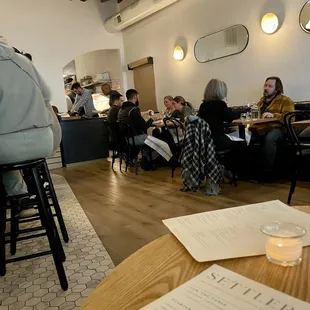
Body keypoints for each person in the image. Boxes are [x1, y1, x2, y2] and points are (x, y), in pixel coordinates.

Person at [0, 37, 61, 206]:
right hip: (43, 142)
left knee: (6, 154)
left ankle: (19, 198)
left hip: (7, 148)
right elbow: (47, 95)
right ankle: (26, 195)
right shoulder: (22, 61)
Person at [249, 77, 294, 179]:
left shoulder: (285, 100)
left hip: (278, 129)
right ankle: (245, 171)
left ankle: (267, 173)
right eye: (265, 85)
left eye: (270, 86)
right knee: (244, 137)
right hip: (260, 129)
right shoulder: (260, 103)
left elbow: (290, 118)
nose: (266, 88)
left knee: (270, 138)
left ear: (277, 88)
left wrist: (274, 115)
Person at [118, 89, 172, 168]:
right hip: (136, 138)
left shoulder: (122, 110)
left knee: (155, 137)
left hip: (126, 139)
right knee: (164, 144)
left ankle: (148, 159)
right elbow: (144, 126)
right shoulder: (133, 109)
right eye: (138, 97)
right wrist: (152, 119)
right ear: (135, 97)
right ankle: (169, 161)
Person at [198, 79, 234, 151]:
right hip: (218, 141)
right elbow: (230, 118)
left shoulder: (202, 105)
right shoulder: (220, 104)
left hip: (205, 142)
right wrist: (227, 104)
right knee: (243, 143)